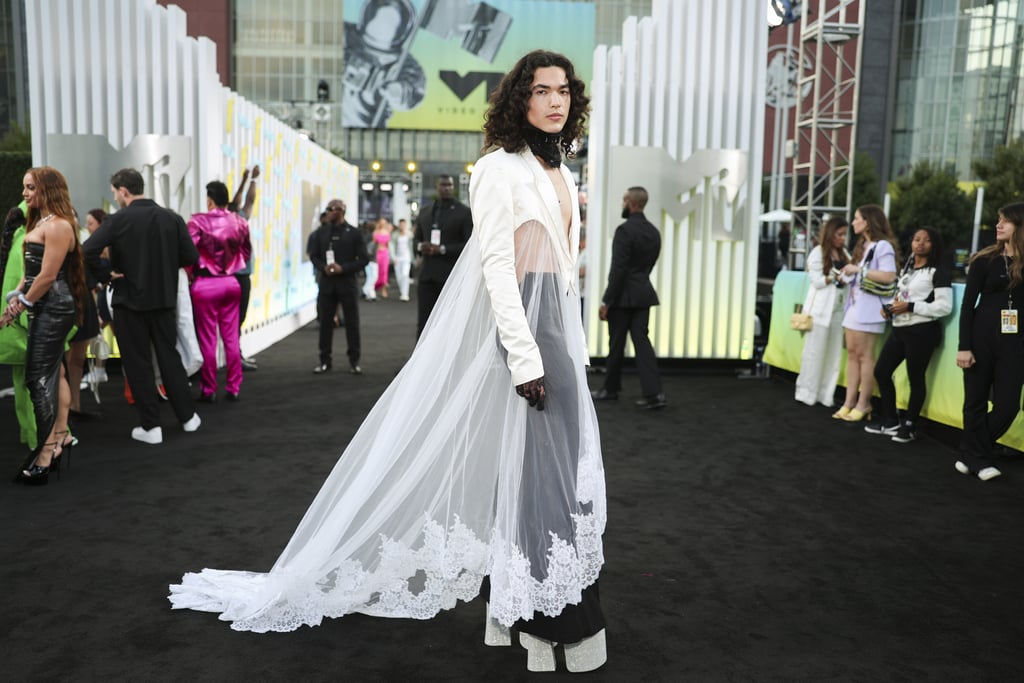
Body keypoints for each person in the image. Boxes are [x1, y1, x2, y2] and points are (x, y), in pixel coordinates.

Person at [170, 50, 606, 674]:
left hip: (558, 335)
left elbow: (564, 268)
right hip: (525, 337)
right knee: (540, 478)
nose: (556, 101)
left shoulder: (563, 173)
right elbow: (499, 268)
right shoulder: (497, 169)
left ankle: (515, 609)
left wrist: (569, 344)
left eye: (564, 90)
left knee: (548, 473)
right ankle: (544, 623)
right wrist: (525, 354)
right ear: (521, 100)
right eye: (542, 91)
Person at [82, 168, 201, 444]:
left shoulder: (117, 220)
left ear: (124, 191)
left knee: (138, 364)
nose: (115, 197)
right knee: (169, 357)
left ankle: (151, 426)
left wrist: (105, 274)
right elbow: (190, 256)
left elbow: (87, 250)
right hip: (163, 301)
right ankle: (188, 418)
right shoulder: (171, 218)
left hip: (129, 303)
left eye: (115, 192)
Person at [1, 167, 86, 485]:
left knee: (39, 380)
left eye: (30, 188)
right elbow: (31, 272)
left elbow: (48, 276)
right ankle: (54, 443)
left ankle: (47, 451)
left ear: (47, 190)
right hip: (41, 307)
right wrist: (16, 299)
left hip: (54, 307)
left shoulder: (61, 225)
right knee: (46, 377)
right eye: (24, 187)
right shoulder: (42, 222)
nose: (24, 194)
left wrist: (22, 302)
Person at [955, 203, 1024, 481]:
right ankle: (979, 459)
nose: (998, 225)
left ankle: (971, 452)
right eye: (999, 220)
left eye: (1005, 221)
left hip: (1015, 343)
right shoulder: (983, 260)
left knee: (1008, 406)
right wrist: (964, 345)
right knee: (975, 402)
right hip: (980, 339)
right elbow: (967, 306)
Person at [864, 227, 952, 443]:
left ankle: (910, 425)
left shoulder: (938, 272)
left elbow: (944, 307)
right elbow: (901, 296)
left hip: (922, 331)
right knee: (882, 372)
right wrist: (890, 309)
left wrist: (911, 307)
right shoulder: (908, 270)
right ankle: (891, 420)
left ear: (935, 245)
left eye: (927, 240)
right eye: (916, 239)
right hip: (900, 328)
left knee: (916, 378)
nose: (920, 243)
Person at [591, 187, 666, 409]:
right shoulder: (654, 232)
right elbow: (648, 266)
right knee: (642, 343)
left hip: (623, 297)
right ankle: (655, 393)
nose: (622, 203)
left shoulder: (624, 231)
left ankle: (610, 389)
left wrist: (606, 301)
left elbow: (618, 270)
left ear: (631, 203)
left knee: (616, 344)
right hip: (643, 294)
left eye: (624, 199)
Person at [187, 181, 252, 402]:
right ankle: (234, 386)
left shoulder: (198, 222)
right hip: (231, 282)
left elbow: (188, 254)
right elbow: (246, 252)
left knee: (208, 339)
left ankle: (209, 388)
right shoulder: (240, 222)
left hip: (205, 284)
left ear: (209, 200)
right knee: (231, 337)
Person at [833, 205, 898, 422]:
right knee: (852, 355)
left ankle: (864, 403)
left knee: (865, 357)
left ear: (867, 222)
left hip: (871, 310)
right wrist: (847, 274)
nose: (853, 223)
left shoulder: (883, 246)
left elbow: (889, 276)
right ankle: (849, 402)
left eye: (857, 218)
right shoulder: (863, 245)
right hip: (855, 307)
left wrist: (858, 270)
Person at [794, 217, 850, 407]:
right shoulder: (818, 252)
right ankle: (806, 392)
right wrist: (834, 277)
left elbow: (850, 279)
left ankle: (826, 395)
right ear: (831, 233)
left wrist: (844, 278)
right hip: (819, 312)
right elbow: (817, 281)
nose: (843, 238)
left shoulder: (844, 254)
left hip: (838, 311)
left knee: (833, 355)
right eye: (839, 234)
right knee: (813, 353)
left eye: (844, 234)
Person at [306, 200, 366, 374]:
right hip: (327, 284)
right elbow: (314, 256)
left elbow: (363, 259)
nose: (330, 212)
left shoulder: (354, 233)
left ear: (342, 211)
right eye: (328, 209)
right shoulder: (321, 233)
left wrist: (344, 268)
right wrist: (323, 267)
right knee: (325, 323)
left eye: (333, 209)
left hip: (347, 284)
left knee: (352, 323)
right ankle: (325, 360)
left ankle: (354, 361)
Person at [413, 174, 473, 337]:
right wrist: (421, 246)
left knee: (449, 322)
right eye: (443, 185)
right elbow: (416, 239)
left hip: (450, 277)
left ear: (453, 188)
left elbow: (469, 245)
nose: (446, 188)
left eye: (449, 185)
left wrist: (443, 249)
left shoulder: (464, 212)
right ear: (437, 187)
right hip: (426, 276)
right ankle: (421, 359)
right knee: (424, 321)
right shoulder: (425, 212)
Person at [230, 165, 259, 371]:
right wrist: (249, 180)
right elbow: (244, 201)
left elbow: (245, 201)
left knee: (237, 319)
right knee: (236, 318)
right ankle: (234, 358)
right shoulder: (232, 219)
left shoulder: (237, 218)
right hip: (236, 277)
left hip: (239, 276)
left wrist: (249, 180)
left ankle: (236, 355)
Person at [392, 217, 413, 301]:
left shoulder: (409, 234)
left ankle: (405, 294)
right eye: (400, 224)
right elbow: (392, 246)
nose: (402, 226)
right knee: (399, 276)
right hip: (398, 258)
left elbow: (412, 246)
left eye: (403, 224)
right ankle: (402, 291)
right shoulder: (395, 235)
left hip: (406, 257)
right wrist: (393, 257)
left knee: (405, 274)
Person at [372, 217, 392, 298]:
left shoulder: (387, 232)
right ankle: (374, 287)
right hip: (377, 253)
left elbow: (388, 245)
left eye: (384, 222)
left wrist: (389, 255)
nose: (383, 224)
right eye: (381, 222)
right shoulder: (375, 232)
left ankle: (383, 289)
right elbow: (373, 245)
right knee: (377, 272)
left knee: (384, 271)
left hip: (385, 253)